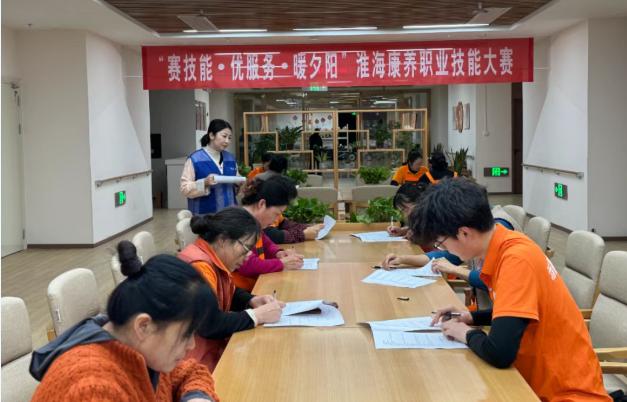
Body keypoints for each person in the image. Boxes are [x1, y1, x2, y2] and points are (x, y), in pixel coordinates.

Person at [412, 179, 609, 401]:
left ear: (464, 233)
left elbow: (500, 353)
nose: (444, 249)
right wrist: (470, 317)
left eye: (441, 243)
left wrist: (463, 332)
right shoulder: (507, 245)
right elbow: (515, 315)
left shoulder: (516, 261)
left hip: (566, 394)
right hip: (536, 383)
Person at [30, 241, 220, 401]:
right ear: (143, 326)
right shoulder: (93, 389)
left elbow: (188, 372)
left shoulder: (142, 351)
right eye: (186, 334)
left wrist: (196, 396)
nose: (191, 344)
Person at [178, 208, 285, 370]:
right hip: (194, 364)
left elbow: (228, 290)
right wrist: (256, 316)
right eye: (246, 248)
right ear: (223, 240)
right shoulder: (200, 266)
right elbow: (209, 324)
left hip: (210, 351)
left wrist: (252, 300)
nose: (248, 256)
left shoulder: (213, 258)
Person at [235, 175, 304, 291]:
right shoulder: (238, 223)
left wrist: (278, 253)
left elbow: (266, 244)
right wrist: (281, 263)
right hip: (241, 292)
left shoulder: (253, 222)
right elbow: (248, 265)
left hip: (255, 286)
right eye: (276, 214)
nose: (275, 220)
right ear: (262, 204)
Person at [255, 155, 324, 243]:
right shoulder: (255, 221)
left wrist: (307, 227)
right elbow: (270, 235)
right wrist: (303, 234)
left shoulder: (274, 208)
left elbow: (284, 223)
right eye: (277, 213)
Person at [181, 119, 240, 214]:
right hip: (204, 217)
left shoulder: (230, 158)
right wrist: (204, 182)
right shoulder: (195, 159)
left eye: (229, 138)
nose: (227, 141)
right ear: (211, 135)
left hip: (229, 216)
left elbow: (235, 187)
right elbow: (184, 189)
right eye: (224, 136)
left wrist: (240, 184)